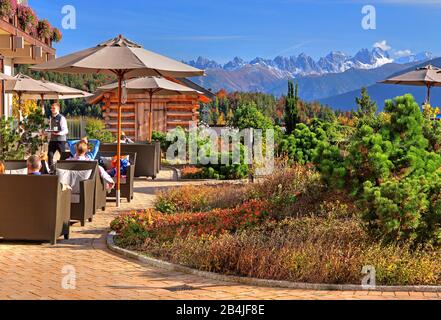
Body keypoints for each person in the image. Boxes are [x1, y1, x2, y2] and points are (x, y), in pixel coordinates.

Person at [47, 103, 69, 168]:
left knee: (63, 155)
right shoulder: (51, 118)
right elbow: (50, 128)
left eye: (54, 108)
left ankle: (63, 168)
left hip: (61, 140)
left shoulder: (62, 118)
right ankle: (51, 169)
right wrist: (45, 131)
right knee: (50, 155)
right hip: (52, 140)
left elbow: (66, 130)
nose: (52, 109)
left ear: (58, 109)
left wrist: (58, 133)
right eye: (51, 108)